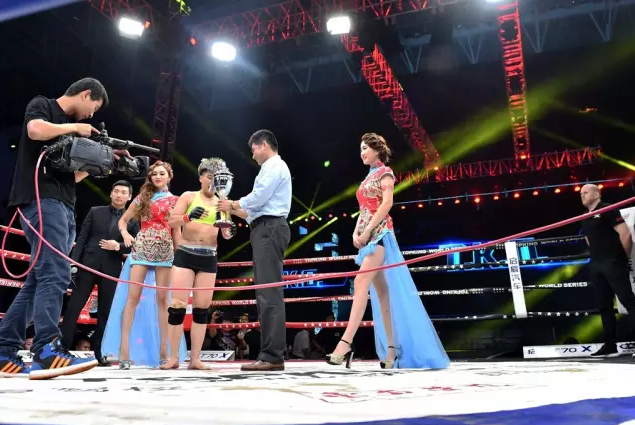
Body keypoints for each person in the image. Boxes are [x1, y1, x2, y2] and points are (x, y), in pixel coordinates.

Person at [0, 78, 110, 379]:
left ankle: (4, 348)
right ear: (85, 94)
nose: (90, 115)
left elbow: (69, 178)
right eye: (93, 107)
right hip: (41, 202)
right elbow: (34, 130)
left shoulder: (69, 130)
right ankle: (46, 349)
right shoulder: (43, 105)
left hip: (62, 205)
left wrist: (99, 165)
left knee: (39, 279)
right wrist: (75, 128)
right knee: (55, 273)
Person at [326, 133, 450, 370]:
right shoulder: (367, 178)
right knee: (382, 293)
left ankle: (346, 342)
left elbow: (387, 204)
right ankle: (392, 350)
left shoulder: (386, 173)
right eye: (360, 148)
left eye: (365, 148)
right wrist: (355, 232)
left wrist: (367, 231)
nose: (362, 152)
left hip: (381, 235)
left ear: (377, 150)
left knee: (360, 282)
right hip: (368, 236)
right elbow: (364, 209)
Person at [218, 129, 291, 372]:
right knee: (264, 293)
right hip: (263, 227)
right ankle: (269, 354)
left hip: (270, 228)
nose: (252, 155)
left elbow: (257, 199)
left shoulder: (275, 166)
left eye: (253, 149)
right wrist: (229, 208)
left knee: (269, 293)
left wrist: (233, 203)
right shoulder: (269, 168)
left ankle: (272, 356)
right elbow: (253, 212)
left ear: (263, 144)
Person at [101, 161, 186, 369]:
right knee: (132, 299)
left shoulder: (176, 201)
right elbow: (123, 220)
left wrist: (180, 255)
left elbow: (177, 231)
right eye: (154, 174)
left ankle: (164, 352)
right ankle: (124, 352)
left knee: (163, 301)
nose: (158, 177)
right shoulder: (142, 198)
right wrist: (125, 234)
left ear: (169, 176)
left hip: (165, 251)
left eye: (162, 173)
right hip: (142, 248)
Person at [161, 158, 237, 370]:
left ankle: (195, 359)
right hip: (186, 254)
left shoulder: (223, 201)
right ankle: (173, 358)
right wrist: (188, 217)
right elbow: (171, 221)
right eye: (210, 177)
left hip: (209, 256)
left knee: (202, 310)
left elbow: (226, 234)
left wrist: (230, 230)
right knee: (177, 308)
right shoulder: (188, 196)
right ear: (201, 178)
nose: (213, 182)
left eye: (216, 179)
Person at [61, 180, 138, 367]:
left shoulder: (132, 221)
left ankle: (100, 353)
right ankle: (62, 349)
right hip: (87, 266)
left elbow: (137, 245)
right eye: (116, 191)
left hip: (112, 269)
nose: (119, 195)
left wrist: (118, 246)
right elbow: (82, 238)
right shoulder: (96, 211)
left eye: (124, 192)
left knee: (106, 313)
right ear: (111, 193)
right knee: (73, 309)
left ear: (129, 197)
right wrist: (74, 264)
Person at [580, 184, 635, 358]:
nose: (582, 195)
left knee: (628, 300)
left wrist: (622, 258)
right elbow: (589, 240)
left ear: (596, 194)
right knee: (604, 305)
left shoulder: (608, 209)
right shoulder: (584, 217)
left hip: (613, 261)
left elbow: (625, 234)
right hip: (597, 264)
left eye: (585, 192)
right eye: (581, 193)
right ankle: (610, 345)